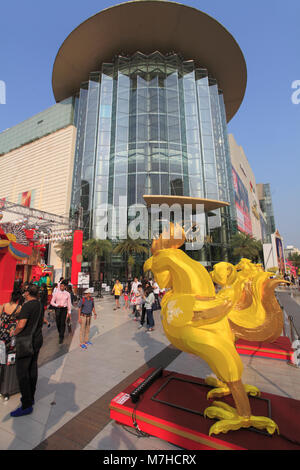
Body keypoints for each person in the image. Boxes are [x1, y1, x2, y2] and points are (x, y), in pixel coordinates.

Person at [10, 284, 44, 417]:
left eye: (25, 291)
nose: (23, 293)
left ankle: (26, 404)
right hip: (37, 340)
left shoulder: (27, 306)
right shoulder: (40, 304)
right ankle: (31, 397)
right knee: (32, 369)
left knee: (22, 372)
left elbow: (21, 324)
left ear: (28, 293)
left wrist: (14, 331)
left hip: (25, 342)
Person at [50, 280, 72, 344]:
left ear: (65, 287)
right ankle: (60, 332)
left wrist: (69, 312)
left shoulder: (67, 294)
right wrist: (57, 305)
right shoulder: (56, 293)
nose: (61, 287)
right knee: (58, 322)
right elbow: (52, 302)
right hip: (58, 309)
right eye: (60, 286)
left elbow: (69, 303)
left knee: (63, 322)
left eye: (63, 286)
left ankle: (61, 336)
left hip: (64, 309)